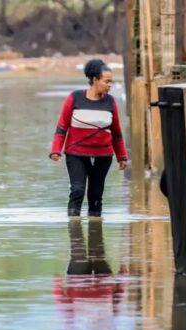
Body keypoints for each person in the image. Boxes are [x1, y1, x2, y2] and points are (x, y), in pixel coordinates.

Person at [50, 59, 128, 218]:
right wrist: (55, 150)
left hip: (103, 156)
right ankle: (75, 232)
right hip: (76, 154)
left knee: (96, 194)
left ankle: (95, 234)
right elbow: (62, 127)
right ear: (94, 80)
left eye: (111, 82)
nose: (110, 85)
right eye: (106, 81)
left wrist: (122, 157)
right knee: (77, 190)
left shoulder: (110, 102)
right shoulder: (74, 98)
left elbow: (116, 133)